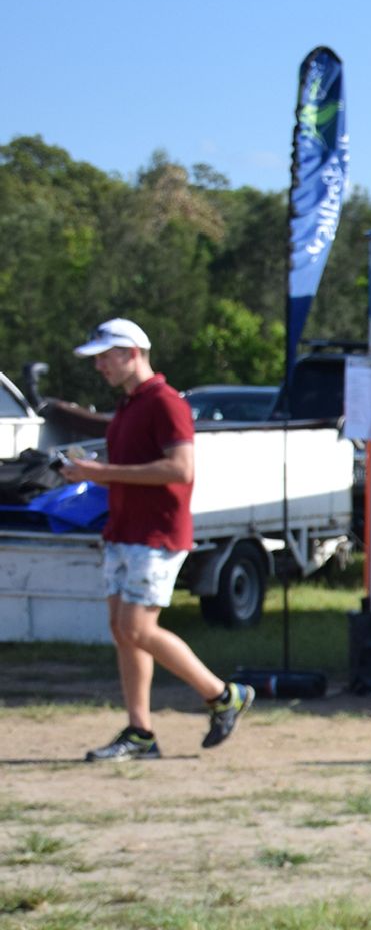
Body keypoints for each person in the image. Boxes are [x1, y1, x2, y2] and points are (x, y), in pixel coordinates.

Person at [58, 318, 255, 761]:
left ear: (132, 353)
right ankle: (140, 732)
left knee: (137, 628)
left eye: (105, 358)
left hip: (156, 535)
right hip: (125, 531)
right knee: (122, 631)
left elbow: (181, 469)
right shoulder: (129, 405)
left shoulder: (165, 402)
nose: (99, 367)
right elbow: (134, 467)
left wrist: (102, 472)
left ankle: (223, 695)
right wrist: (89, 473)